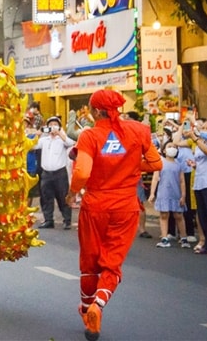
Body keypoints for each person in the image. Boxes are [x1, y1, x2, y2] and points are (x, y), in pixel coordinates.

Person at [64, 88, 162, 341]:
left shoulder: (90, 136)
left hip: (95, 205)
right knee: (112, 262)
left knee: (90, 263)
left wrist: (72, 193)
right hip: (125, 207)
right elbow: (155, 163)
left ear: (96, 111)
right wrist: (128, 165)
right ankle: (99, 305)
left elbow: (83, 173)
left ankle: (87, 312)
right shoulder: (138, 131)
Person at [35, 115, 75, 229]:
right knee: (46, 197)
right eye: (50, 125)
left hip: (60, 173)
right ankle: (48, 220)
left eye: (55, 124)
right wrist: (37, 134)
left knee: (63, 197)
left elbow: (70, 143)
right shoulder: (43, 140)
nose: (52, 127)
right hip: (46, 173)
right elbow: (32, 146)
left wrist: (60, 134)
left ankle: (67, 220)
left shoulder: (62, 139)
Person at [148, 140, 188, 248]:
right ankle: (164, 238)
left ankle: (184, 238)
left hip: (176, 194)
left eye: (174, 147)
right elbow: (155, 179)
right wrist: (152, 193)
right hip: (163, 193)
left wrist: (183, 195)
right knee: (164, 215)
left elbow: (182, 181)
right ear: (164, 150)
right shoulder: (160, 163)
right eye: (170, 146)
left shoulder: (179, 165)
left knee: (178, 215)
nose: (172, 148)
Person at [191, 119, 207, 254]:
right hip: (199, 182)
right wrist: (194, 164)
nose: (204, 130)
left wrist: (196, 139)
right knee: (203, 215)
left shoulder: (201, 142)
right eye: (203, 128)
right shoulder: (200, 143)